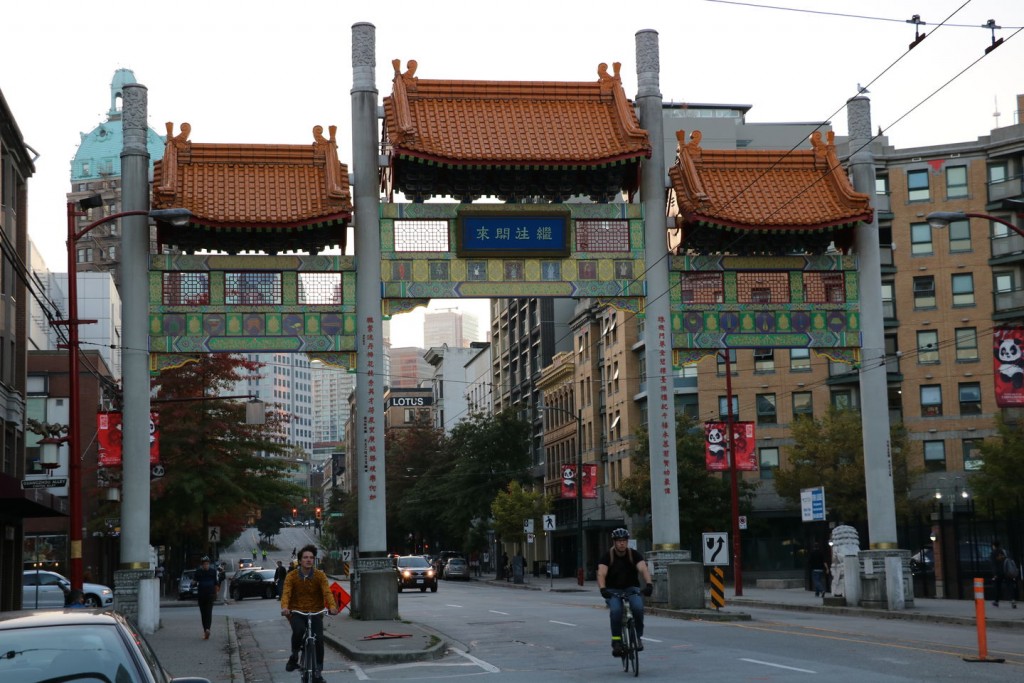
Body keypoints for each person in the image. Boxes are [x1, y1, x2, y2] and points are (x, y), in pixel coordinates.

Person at [281, 544, 338, 683]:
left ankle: (318, 672)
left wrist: (332, 606)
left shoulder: (320, 575)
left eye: (311, 558)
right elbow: (286, 593)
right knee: (299, 630)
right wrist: (285, 607)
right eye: (305, 557)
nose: (308, 560)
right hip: (297, 611)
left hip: (315, 611)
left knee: (319, 639)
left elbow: (327, 592)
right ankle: (294, 656)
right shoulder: (292, 576)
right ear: (300, 560)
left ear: (314, 560)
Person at [597, 528, 653, 657]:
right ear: (614, 542)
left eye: (624, 541)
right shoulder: (607, 556)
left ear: (627, 542)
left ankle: (638, 637)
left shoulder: (634, 555)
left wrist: (649, 584)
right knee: (616, 611)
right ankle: (616, 641)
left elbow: (643, 569)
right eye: (619, 541)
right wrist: (603, 589)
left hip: (631, 588)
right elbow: (601, 573)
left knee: (638, 609)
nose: (622, 543)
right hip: (612, 590)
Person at [195, 556, 221, 640]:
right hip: (201, 595)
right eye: (204, 564)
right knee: (204, 613)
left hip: (210, 595)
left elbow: (216, 583)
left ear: (209, 564)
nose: (206, 565)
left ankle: (207, 629)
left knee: (208, 613)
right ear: (202, 565)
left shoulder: (213, 572)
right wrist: (193, 583)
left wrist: (216, 593)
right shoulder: (198, 572)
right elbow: (195, 581)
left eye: (207, 564)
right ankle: (206, 630)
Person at [991, 540, 1018, 608]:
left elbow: (994, 564)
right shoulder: (1004, 551)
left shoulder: (993, 553)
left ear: (993, 545)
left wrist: (995, 574)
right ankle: (1013, 600)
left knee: (997, 586)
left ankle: (996, 601)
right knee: (1010, 585)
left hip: (999, 572)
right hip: (1007, 571)